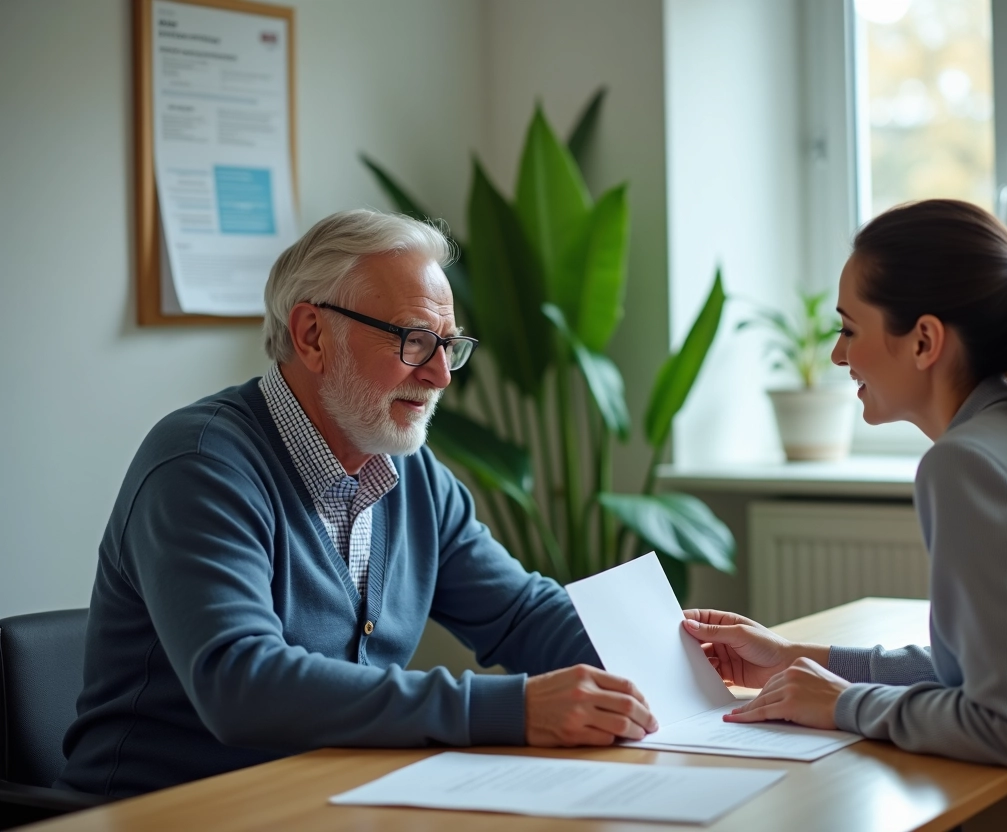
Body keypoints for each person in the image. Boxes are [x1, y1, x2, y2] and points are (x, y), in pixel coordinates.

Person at [58, 210, 656, 797]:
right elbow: (240, 682)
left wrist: (683, 652)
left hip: (325, 799)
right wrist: (511, 708)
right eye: (415, 340)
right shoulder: (200, 464)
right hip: (165, 813)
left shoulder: (412, 472)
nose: (441, 376)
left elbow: (523, 614)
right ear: (313, 335)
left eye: (448, 345)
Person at [685, 200, 1007, 832]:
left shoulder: (968, 466)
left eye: (849, 330)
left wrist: (847, 704)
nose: (836, 357)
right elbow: (1001, 669)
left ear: (925, 340)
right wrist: (800, 657)